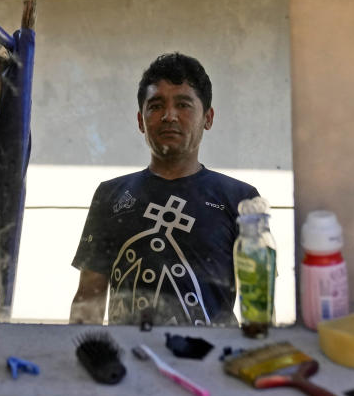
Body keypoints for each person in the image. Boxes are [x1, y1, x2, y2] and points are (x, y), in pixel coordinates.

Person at [69, 53, 259, 326]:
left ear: (208, 117)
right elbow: (88, 298)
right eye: (156, 106)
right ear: (140, 120)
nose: (169, 116)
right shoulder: (110, 195)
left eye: (183, 104)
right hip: (129, 363)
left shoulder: (242, 200)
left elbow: (260, 302)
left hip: (210, 363)